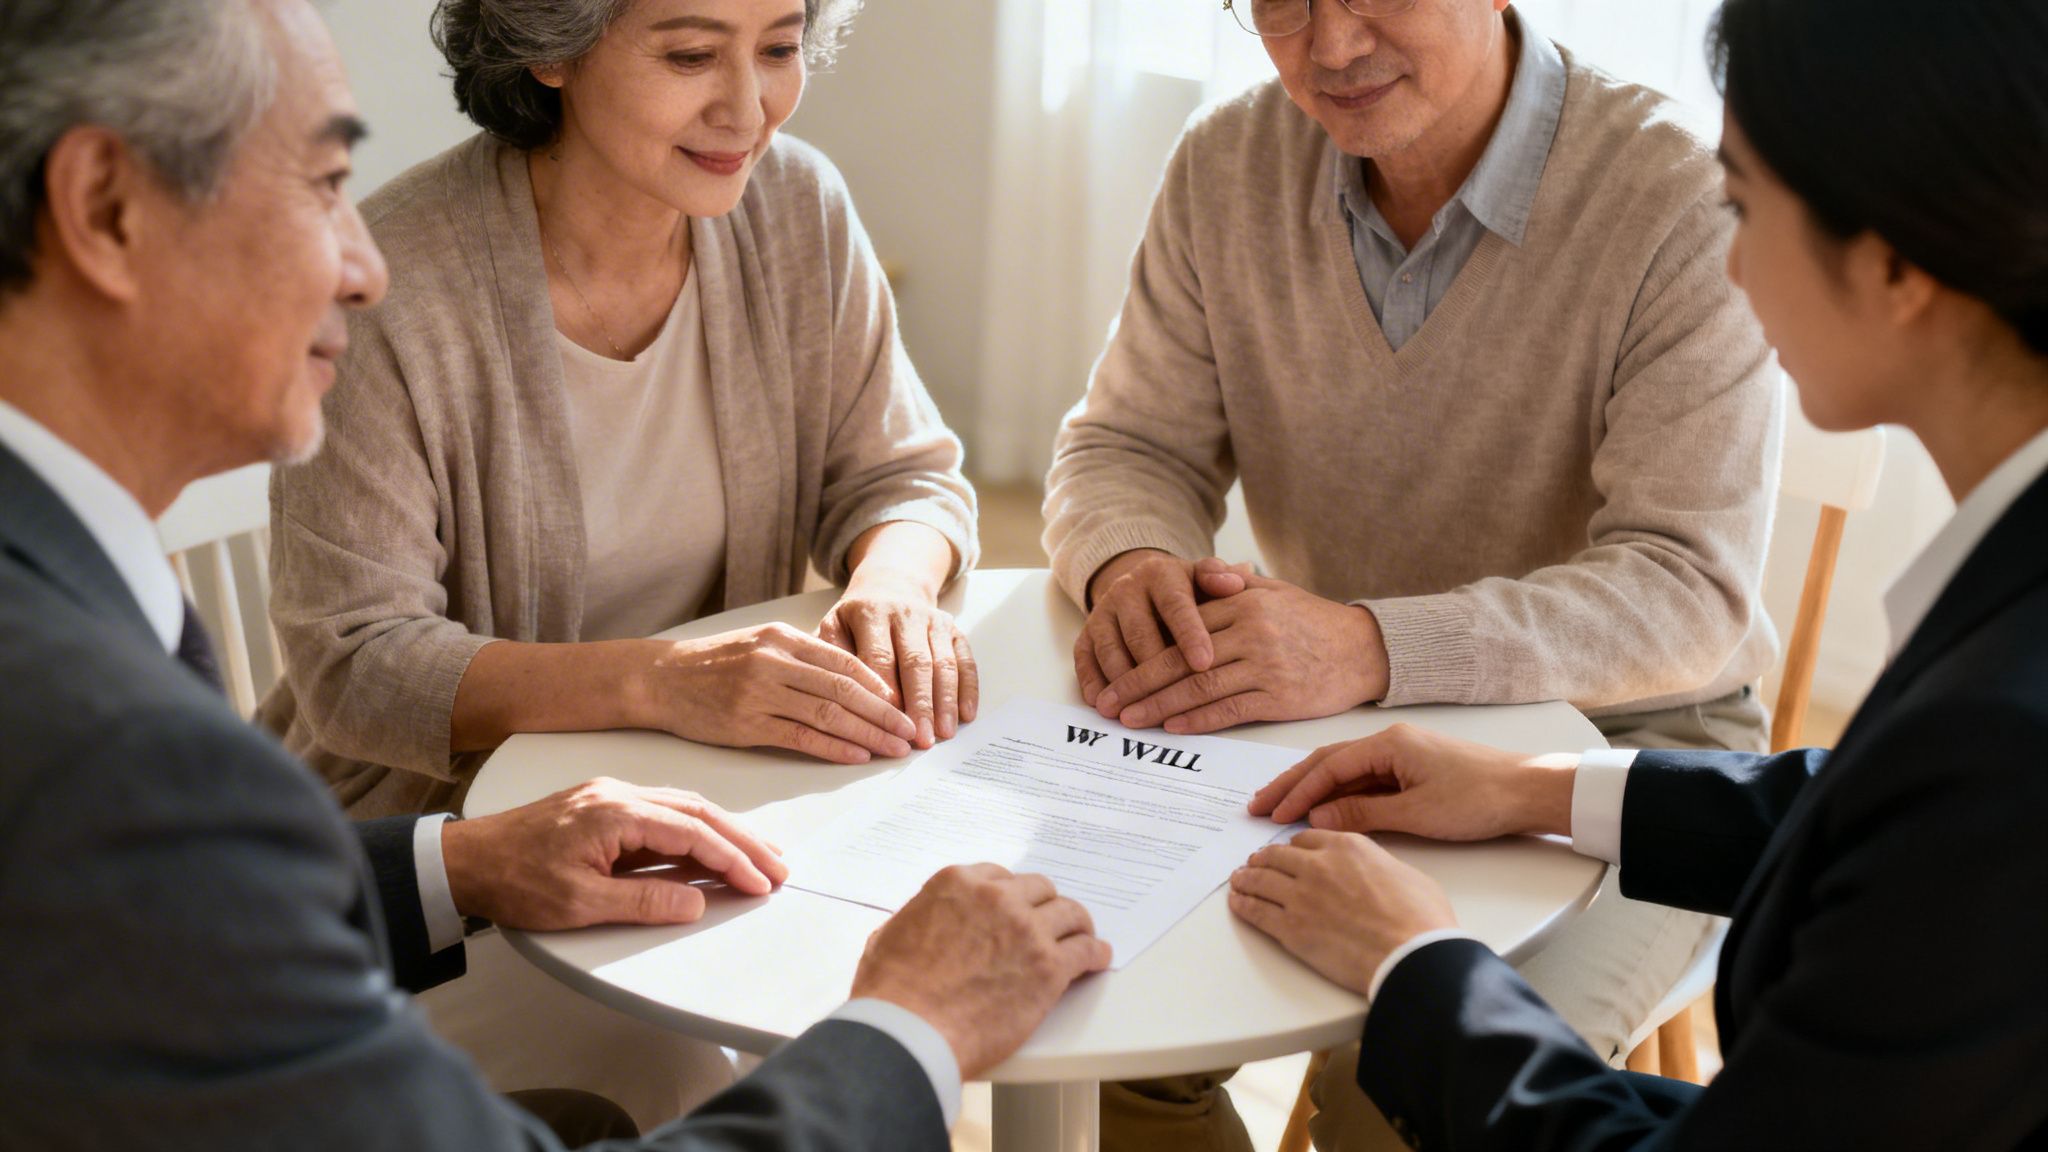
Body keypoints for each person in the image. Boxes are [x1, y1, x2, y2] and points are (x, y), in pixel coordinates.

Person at [0, 1, 1111, 1148]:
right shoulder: (108, 753)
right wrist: (913, 1028)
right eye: (322, 183)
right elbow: (341, 680)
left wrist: (471, 861)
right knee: (704, 1048)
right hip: (469, 878)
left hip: (626, 831)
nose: (364, 267)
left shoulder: (79, 634)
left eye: (779, 47)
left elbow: (902, 476)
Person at [1229, 0, 2048, 1145]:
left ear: (1896, 259)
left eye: (1744, 206)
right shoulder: (2002, 631)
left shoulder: (2001, 738)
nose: (1724, 259)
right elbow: (1873, 814)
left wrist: (1414, 961)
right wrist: (1539, 790)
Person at [1040, 0, 1778, 1143]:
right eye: (1280, 4)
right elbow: (1126, 443)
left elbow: (1687, 592)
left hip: (1623, 761)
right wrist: (1133, 558)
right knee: (1089, 1019)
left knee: (1402, 1098)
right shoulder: (1226, 162)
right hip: (1320, 746)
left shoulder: (1673, 198)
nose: (1329, 48)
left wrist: (1368, 645)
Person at [258, 0, 985, 1121]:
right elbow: (359, 666)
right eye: (691, 53)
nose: (748, 107)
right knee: (734, 1081)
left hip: (720, 825)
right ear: (550, 47)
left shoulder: (794, 207)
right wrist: (665, 682)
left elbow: (904, 476)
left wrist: (890, 585)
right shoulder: (394, 285)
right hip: (442, 874)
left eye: (780, 48)